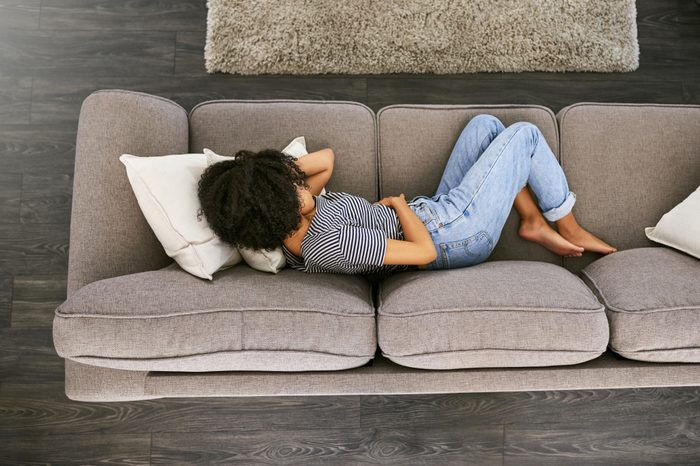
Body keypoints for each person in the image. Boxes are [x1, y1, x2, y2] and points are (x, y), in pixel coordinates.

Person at [196, 114, 616, 277]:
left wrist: (260, 172)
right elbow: (424, 253)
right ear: (270, 209)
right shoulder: (326, 243)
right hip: (454, 235)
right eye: (287, 187)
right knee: (524, 134)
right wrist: (397, 205)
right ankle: (570, 224)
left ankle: (530, 221)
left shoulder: (297, 216)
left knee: (485, 126)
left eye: (288, 178)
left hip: (434, 214)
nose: (299, 184)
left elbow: (324, 159)